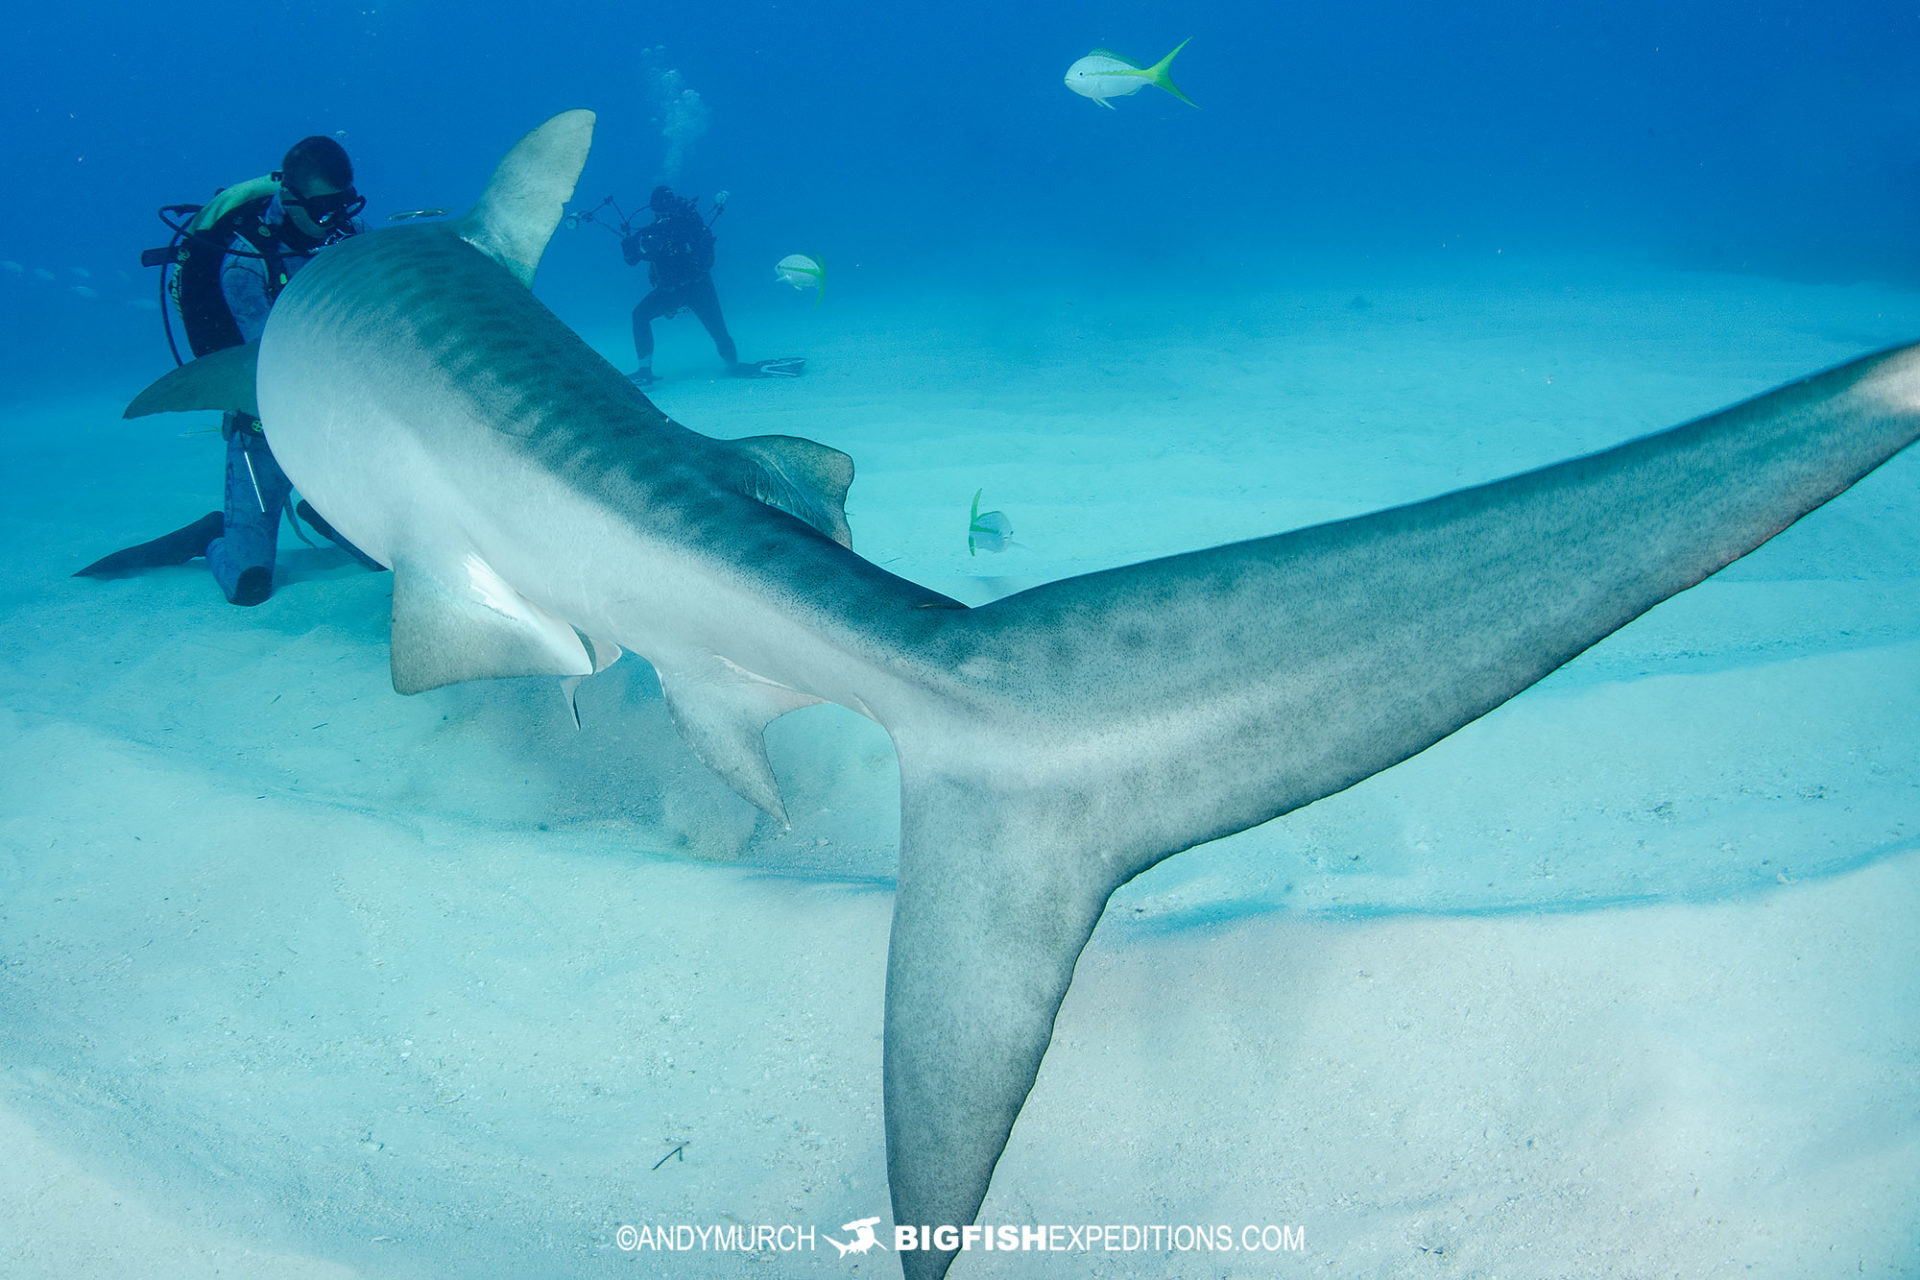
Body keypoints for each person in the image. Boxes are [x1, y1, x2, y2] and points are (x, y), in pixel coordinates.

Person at [75, 135, 380, 605]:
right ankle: (215, 536)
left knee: (384, 557)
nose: (335, 222)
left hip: (334, 419)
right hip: (263, 420)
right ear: (289, 199)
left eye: (344, 205)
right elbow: (268, 361)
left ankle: (325, 513)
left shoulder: (350, 229)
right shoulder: (244, 263)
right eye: (323, 211)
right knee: (249, 584)